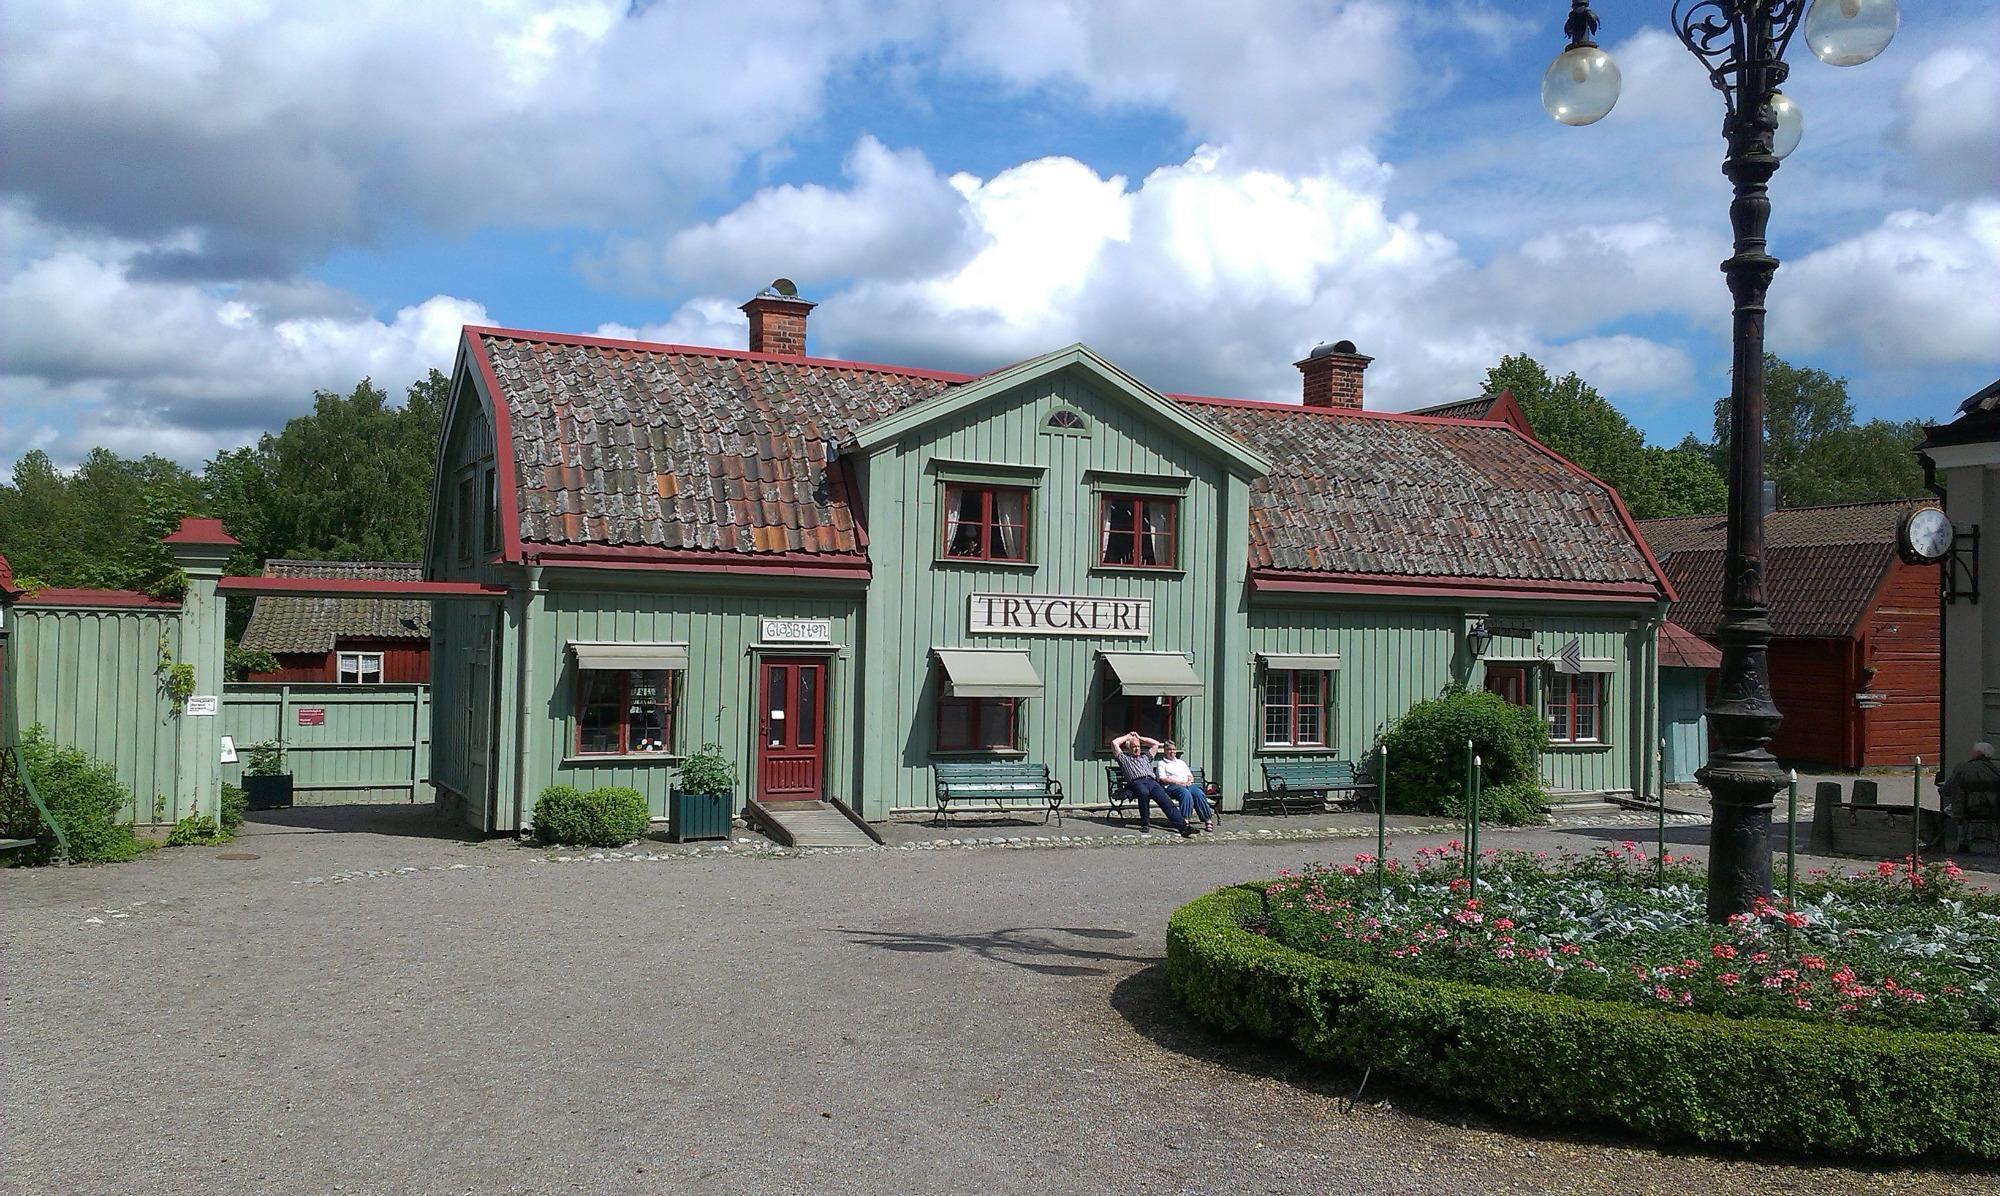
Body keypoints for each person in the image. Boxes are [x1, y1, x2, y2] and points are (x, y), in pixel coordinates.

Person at [1110, 731, 1195, 837]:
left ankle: (1183, 827)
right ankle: (1145, 824)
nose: (1137, 749)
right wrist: (1128, 736)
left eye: (1138, 746)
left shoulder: (1145, 757)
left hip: (1152, 781)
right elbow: (1114, 743)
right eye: (1134, 747)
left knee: (1165, 800)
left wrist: (1139, 738)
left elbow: (1155, 744)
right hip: (1137, 782)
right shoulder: (1124, 759)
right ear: (1128, 749)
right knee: (1143, 793)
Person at [1938, 743, 2000, 852]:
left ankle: (1960, 839)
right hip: (1992, 810)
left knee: (1950, 805)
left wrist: (1941, 790)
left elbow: (1947, 789)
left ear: (1977, 753)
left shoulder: (1963, 768)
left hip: (1966, 810)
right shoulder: (1995, 772)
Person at [1155, 742, 1213, 832]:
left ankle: (1207, 819)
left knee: (1198, 793)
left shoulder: (1181, 762)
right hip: (1172, 786)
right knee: (1185, 793)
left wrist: (1189, 781)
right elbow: (1162, 779)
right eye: (1169, 749)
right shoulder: (1161, 763)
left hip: (1186, 785)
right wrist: (1179, 782)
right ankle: (1185, 821)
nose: (1172, 751)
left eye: (1174, 749)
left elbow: (1190, 776)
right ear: (1165, 751)